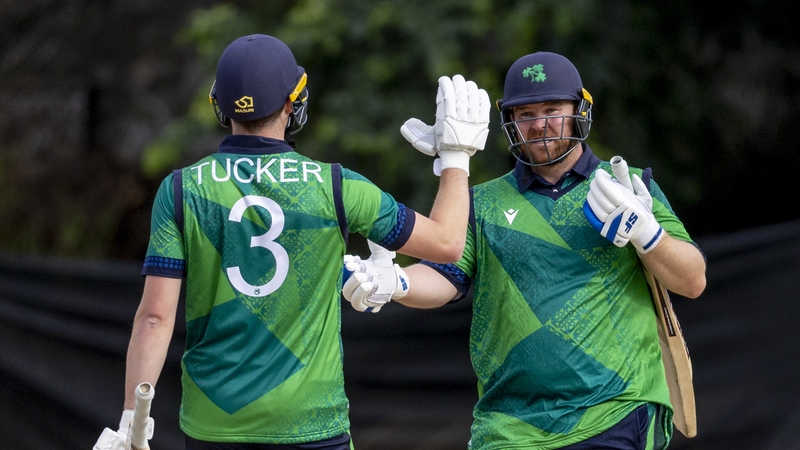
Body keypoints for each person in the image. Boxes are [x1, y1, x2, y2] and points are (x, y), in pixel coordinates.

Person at [93, 34, 490, 450]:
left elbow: (155, 319)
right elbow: (448, 244)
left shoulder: (181, 189)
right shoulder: (336, 186)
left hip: (215, 422)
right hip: (311, 424)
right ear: (292, 102)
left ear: (219, 103)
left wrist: (131, 419)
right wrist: (455, 158)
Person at [342, 51, 707, 449]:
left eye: (552, 110)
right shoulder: (481, 202)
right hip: (509, 425)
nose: (539, 124)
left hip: (615, 412)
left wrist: (649, 235)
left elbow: (692, 281)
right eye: (526, 113)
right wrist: (397, 282)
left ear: (579, 110)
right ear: (509, 121)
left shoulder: (630, 185)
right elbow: (444, 275)